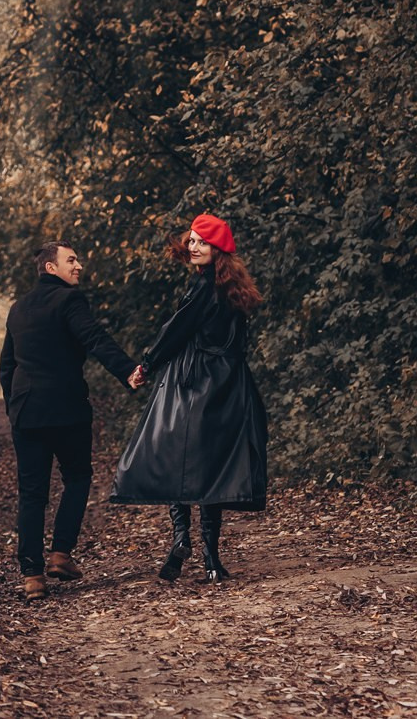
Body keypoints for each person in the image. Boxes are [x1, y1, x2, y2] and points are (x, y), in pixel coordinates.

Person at [111, 213, 267, 583]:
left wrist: (146, 365)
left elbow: (176, 330)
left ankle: (181, 537)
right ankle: (212, 559)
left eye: (201, 241)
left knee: (173, 455)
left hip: (192, 378)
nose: (192, 246)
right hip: (229, 382)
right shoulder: (235, 287)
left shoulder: (203, 286)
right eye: (191, 241)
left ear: (218, 248)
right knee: (212, 466)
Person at [0, 240, 137, 602]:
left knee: (32, 494)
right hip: (66, 410)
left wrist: (13, 406)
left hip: (27, 412)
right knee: (77, 477)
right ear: (50, 268)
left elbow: (7, 366)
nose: (78, 266)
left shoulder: (18, 308)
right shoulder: (69, 301)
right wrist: (128, 371)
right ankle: (61, 554)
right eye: (71, 260)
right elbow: (95, 339)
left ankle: (32, 575)